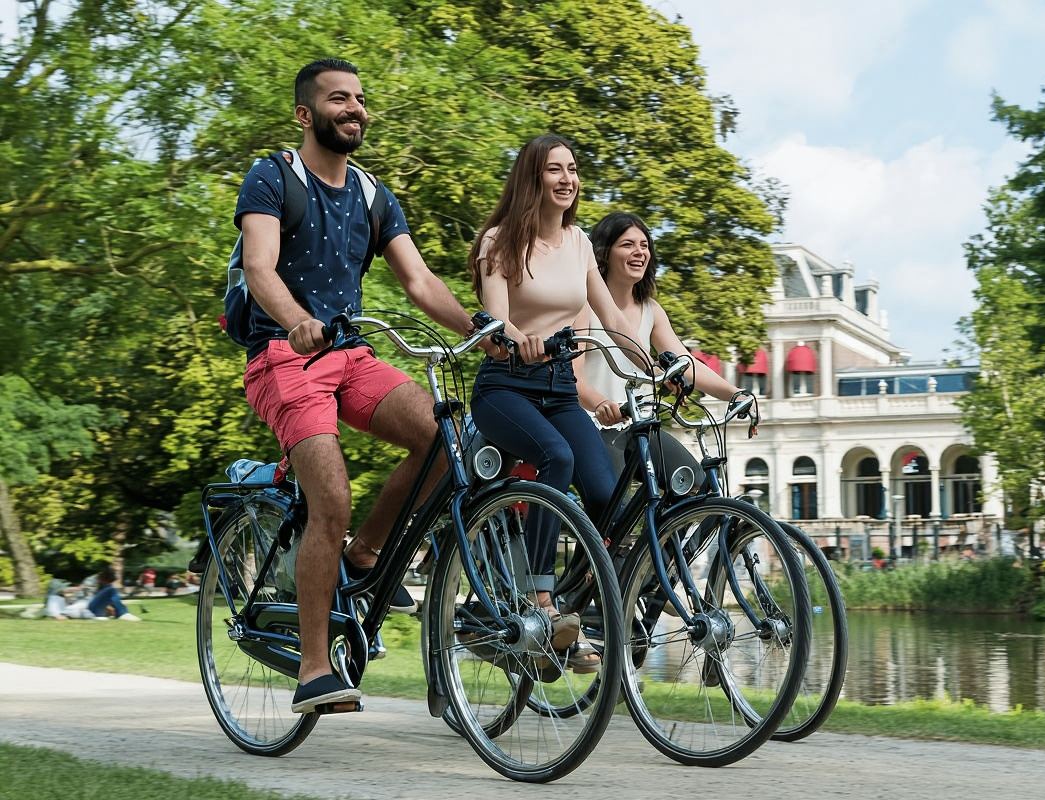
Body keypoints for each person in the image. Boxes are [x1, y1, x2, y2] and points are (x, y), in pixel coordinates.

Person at [235, 58, 489, 713]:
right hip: (283, 357)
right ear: (305, 114)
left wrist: (486, 330)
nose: (355, 109)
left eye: (360, 100)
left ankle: (367, 556)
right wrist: (294, 321)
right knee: (333, 499)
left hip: (351, 357)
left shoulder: (374, 194)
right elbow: (260, 267)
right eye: (339, 99)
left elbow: (420, 282)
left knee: (444, 436)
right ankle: (315, 669)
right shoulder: (273, 177)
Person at [467, 134, 644, 672]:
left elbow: (613, 319)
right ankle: (537, 598)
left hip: (559, 392)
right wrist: (517, 334)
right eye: (554, 170)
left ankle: (577, 608)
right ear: (533, 178)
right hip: (506, 386)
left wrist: (659, 369)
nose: (567, 179)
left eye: (572, 169)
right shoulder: (500, 242)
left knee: (605, 491)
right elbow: (495, 314)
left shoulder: (580, 243)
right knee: (556, 457)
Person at [579, 212, 752, 482]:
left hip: (641, 426)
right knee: (609, 503)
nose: (639, 252)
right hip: (594, 426)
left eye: (644, 245)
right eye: (627, 245)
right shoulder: (583, 307)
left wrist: (735, 394)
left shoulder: (651, 310)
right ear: (603, 254)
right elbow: (571, 378)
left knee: (696, 484)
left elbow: (685, 363)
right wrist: (601, 405)